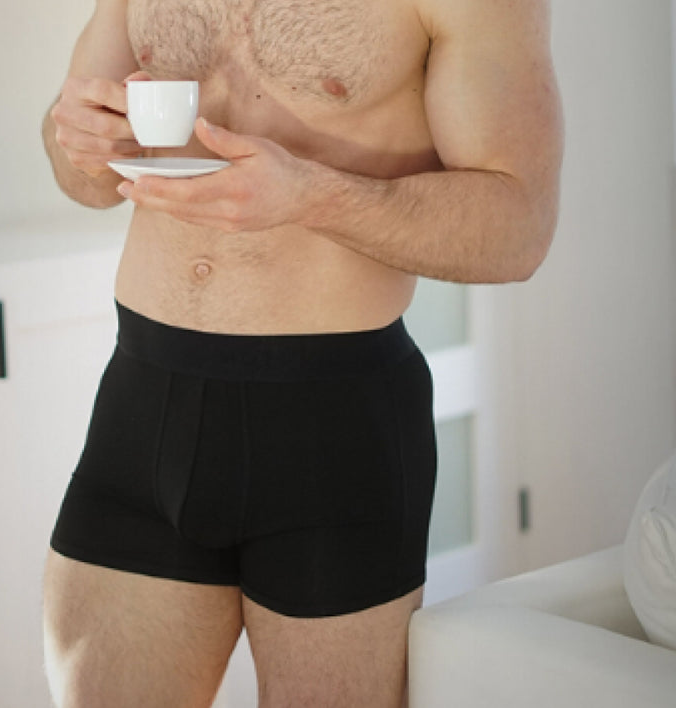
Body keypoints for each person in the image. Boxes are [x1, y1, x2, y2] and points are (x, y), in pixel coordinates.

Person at [41, 0, 563, 706]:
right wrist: (73, 136)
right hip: (144, 403)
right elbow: (85, 176)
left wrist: (312, 196)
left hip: (331, 424)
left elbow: (519, 225)